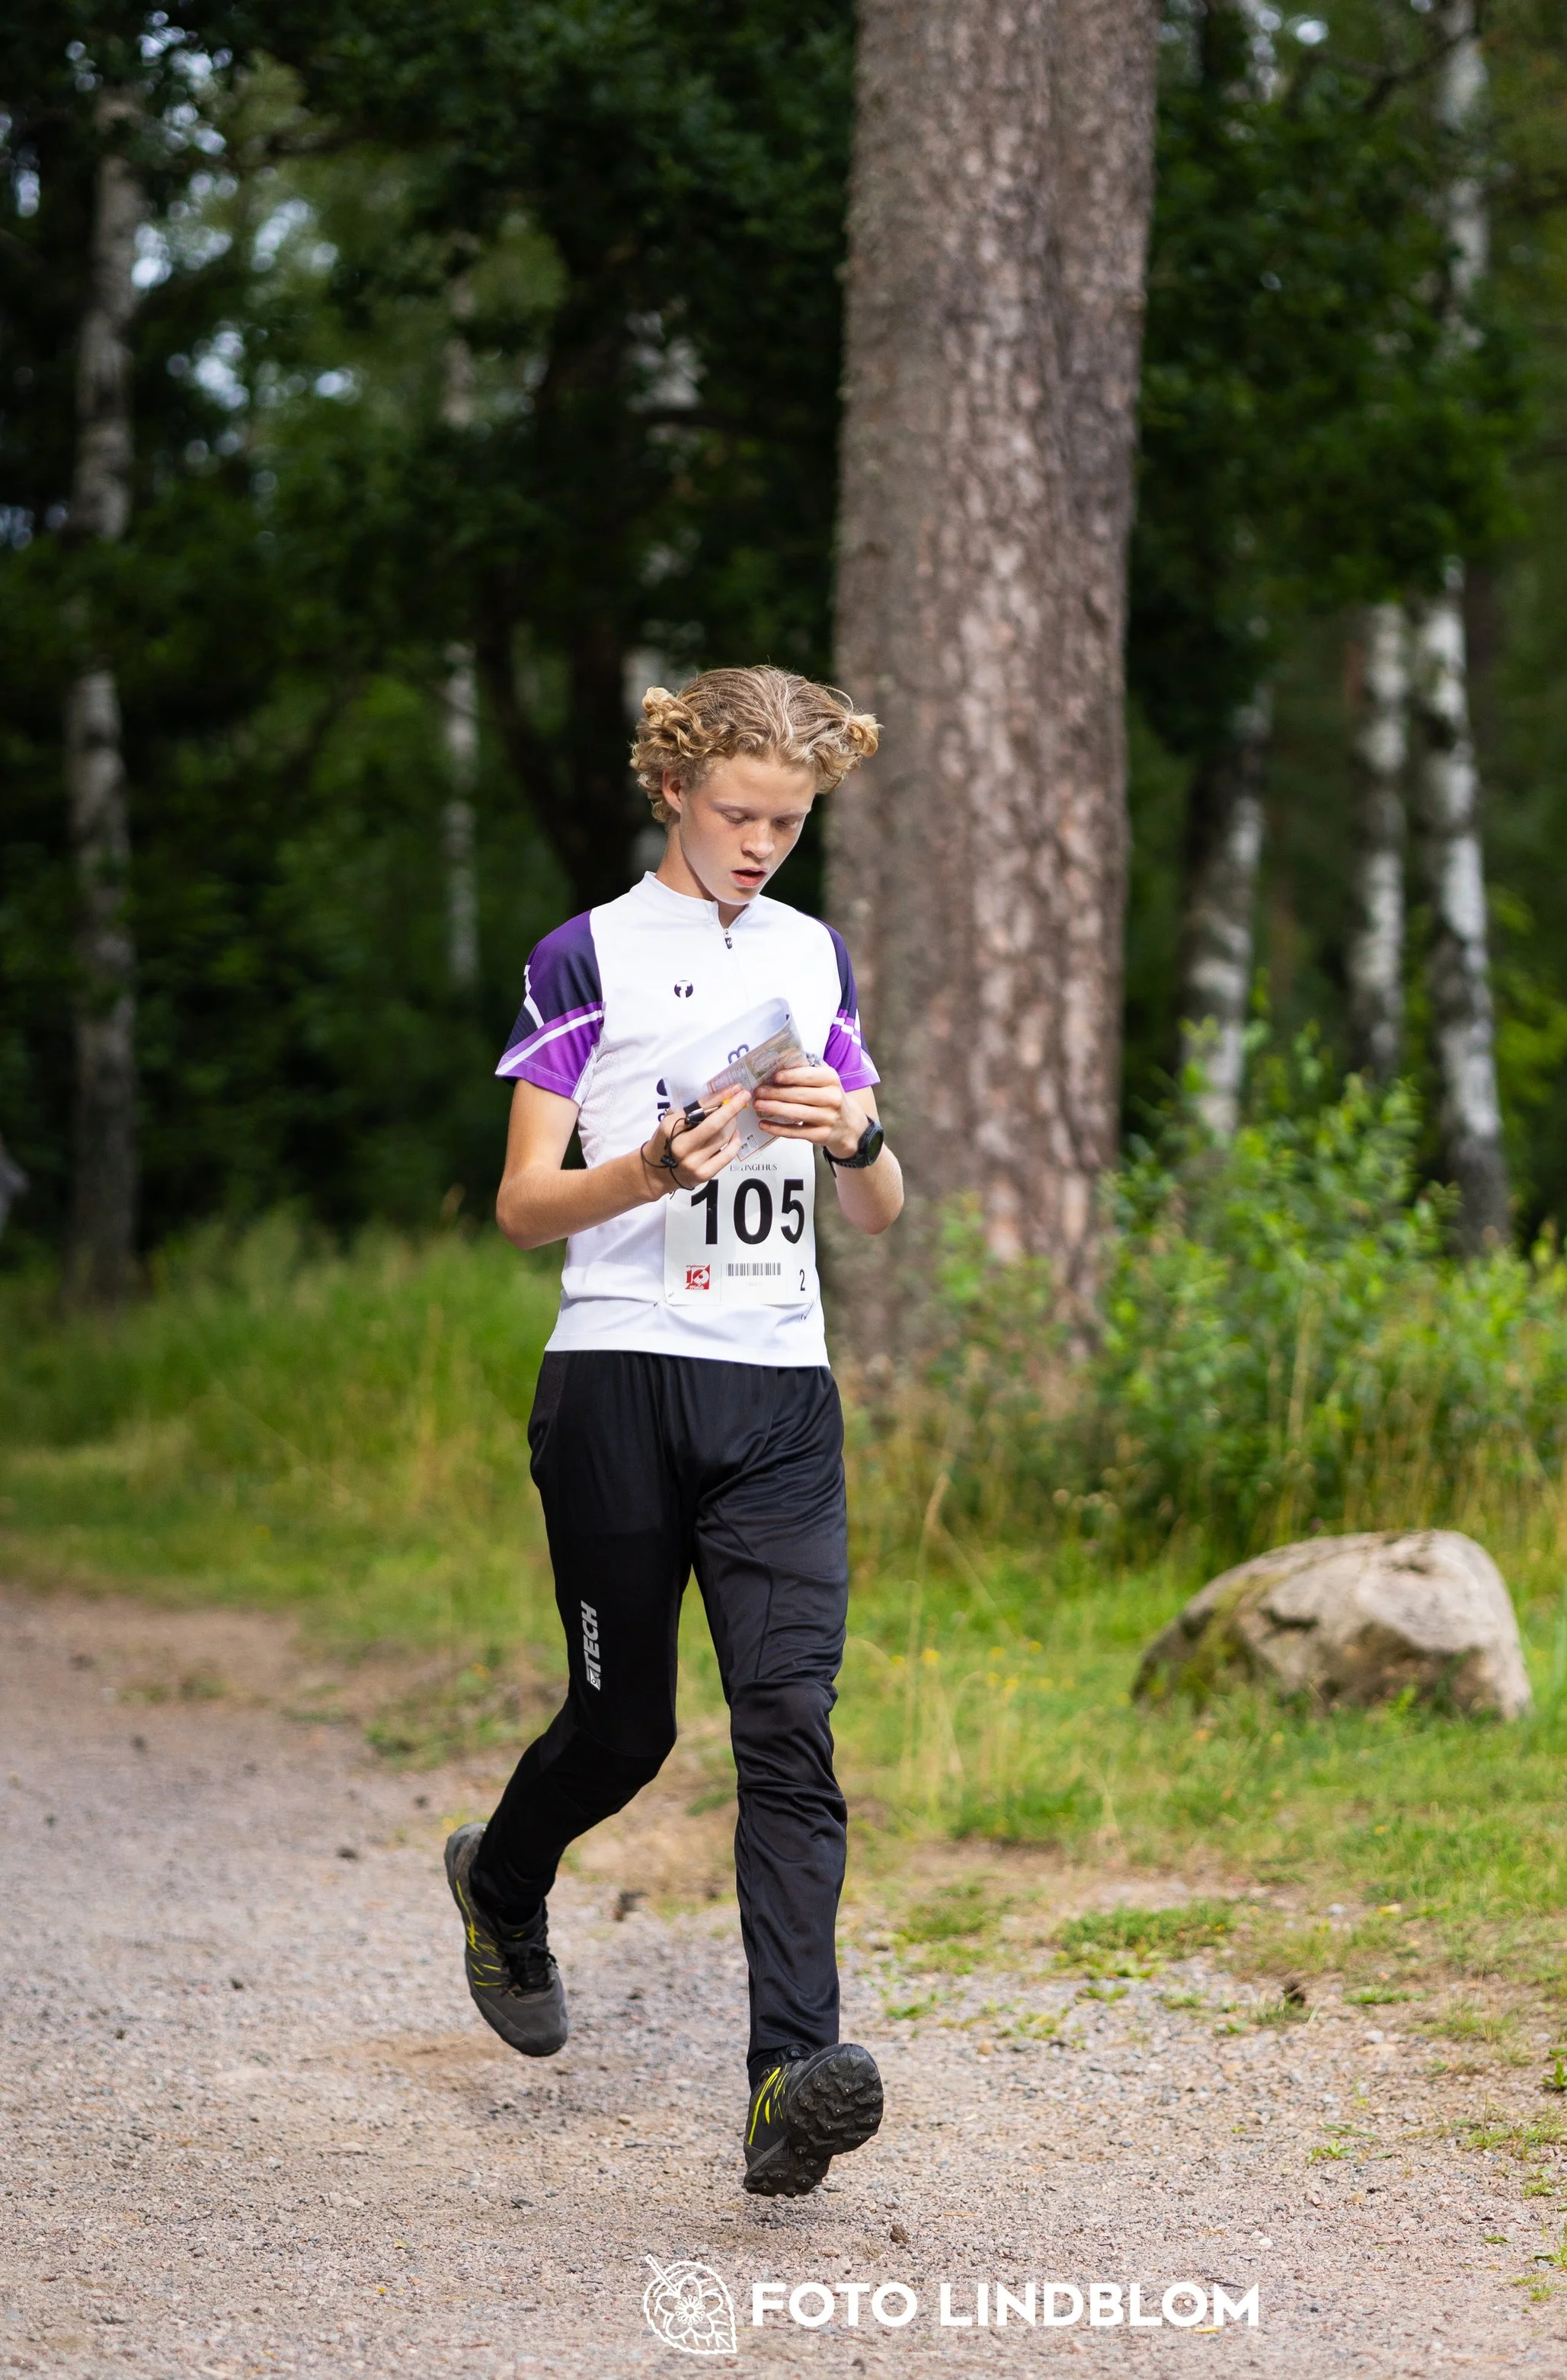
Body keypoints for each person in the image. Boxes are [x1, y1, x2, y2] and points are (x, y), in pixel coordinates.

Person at [443, 666, 903, 2200]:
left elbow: (880, 1201)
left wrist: (863, 1138)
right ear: (672, 789)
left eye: (788, 818)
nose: (764, 841)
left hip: (777, 1382)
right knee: (624, 1729)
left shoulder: (812, 955)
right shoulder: (585, 954)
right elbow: (518, 1205)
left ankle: (789, 2072)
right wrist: (644, 1165)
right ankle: (502, 1884)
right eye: (738, 813)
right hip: (619, 1376)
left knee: (788, 1727)